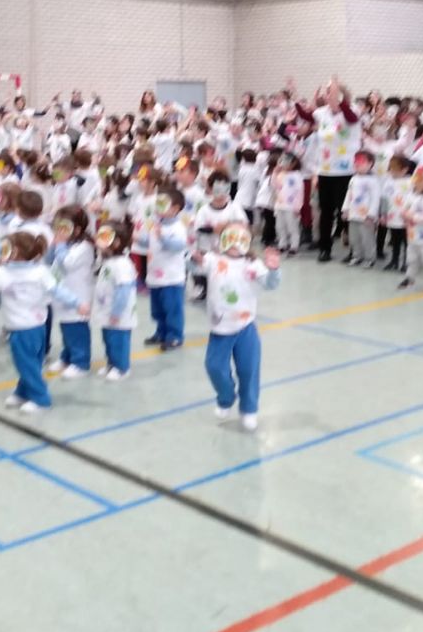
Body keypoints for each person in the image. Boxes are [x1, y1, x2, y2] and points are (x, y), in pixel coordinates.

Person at [197, 222, 281, 432]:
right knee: (214, 367)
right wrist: (192, 258)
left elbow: (271, 284)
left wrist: (273, 270)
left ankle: (249, 409)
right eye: (230, 238)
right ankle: (226, 397)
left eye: (240, 239)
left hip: (245, 327)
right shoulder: (213, 260)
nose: (235, 244)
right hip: (220, 329)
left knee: (249, 370)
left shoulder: (253, 265)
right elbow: (194, 266)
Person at [0, 231, 65, 413]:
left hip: (21, 329)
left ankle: (41, 398)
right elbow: (57, 291)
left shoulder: (1, 273)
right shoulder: (41, 271)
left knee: (26, 364)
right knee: (32, 363)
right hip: (38, 327)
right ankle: (23, 391)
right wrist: (77, 304)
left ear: (14, 252)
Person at [293, 80, 361, 263]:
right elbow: (306, 115)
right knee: (325, 212)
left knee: (345, 212)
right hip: (325, 170)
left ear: (340, 95)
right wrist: (295, 95)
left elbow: (351, 119)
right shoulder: (321, 113)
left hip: (345, 171)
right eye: (327, 91)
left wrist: (339, 95)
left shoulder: (351, 111)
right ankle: (325, 249)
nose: (327, 94)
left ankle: (353, 250)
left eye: (331, 91)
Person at [45, 205, 96, 379]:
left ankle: (81, 362)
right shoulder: (66, 244)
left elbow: (67, 263)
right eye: (57, 226)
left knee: (76, 329)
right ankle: (67, 357)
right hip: (64, 295)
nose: (59, 231)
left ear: (77, 230)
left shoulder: (84, 247)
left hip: (78, 296)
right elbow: (50, 260)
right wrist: (54, 246)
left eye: (64, 227)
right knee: (66, 328)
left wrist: (59, 245)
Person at [92, 222, 138, 381]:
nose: (99, 241)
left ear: (116, 243)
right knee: (108, 340)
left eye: (104, 237)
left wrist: (116, 312)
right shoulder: (109, 261)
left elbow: (123, 291)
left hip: (119, 315)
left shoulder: (122, 264)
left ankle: (122, 368)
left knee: (119, 341)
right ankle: (111, 364)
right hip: (107, 311)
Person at [145, 187, 188, 351]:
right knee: (158, 309)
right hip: (155, 276)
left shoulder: (178, 227)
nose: (158, 208)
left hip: (171, 278)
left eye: (163, 205)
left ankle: (175, 336)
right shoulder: (156, 224)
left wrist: (162, 237)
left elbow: (178, 246)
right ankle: (161, 332)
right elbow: (150, 241)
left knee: (172, 309)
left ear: (175, 208)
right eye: (158, 204)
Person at [343, 150, 381, 268]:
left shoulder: (373, 180)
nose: (358, 164)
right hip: (353, 214)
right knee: (354, 238)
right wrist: (345, 209)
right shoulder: (353, 179)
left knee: (367, 238)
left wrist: (371, 214)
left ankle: (370, 258)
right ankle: (356, 256)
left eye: (361, 162)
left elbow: (375, 198)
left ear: (370, 164)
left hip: (366, 216)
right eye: (356, 162)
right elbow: (349, 194)